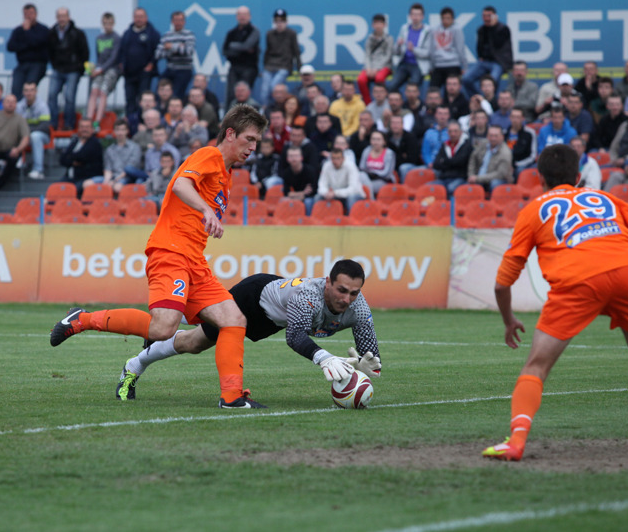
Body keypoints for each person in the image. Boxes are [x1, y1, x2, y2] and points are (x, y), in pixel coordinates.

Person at [482, 143, 628, 462]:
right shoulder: (604, 197)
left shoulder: (533, 211)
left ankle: (515, 443)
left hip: (578, 281)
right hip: (626, 273)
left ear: (540, 178)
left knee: (537, 364)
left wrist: (508, 320)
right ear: (579, 176)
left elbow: (503, 283)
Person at [50, 104, 270, 410]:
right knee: (163, 328)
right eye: (249, 138)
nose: (253, 146)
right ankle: (82, 319)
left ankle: (232, 397)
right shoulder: (210, 155)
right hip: (171, 251)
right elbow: (180, 183)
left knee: (234, 319)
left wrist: (207, 216)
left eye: (256, 141)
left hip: (194, 259)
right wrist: (206, 210)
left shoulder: (227, 174)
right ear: (230, 134)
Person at [115, 260, 382, 401]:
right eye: (341, 290)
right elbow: (295, 337)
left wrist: (365, 367)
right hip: (252, 298)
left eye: (354, 293)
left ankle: (160, 327)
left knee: (191, 333)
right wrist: (324, 358)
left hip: (269, 321)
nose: (346, 299)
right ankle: (134, 365)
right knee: (193, 342)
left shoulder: (358, 309)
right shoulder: (308, 296)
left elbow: (371, 354)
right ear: (327, 282)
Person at [46, 8, 89, 131]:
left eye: (64, 16)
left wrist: (79, 68)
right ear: (56, 17)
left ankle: (69, 124)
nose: (62, 19)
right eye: (59, 16)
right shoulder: (52, 33)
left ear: (69, 17)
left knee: (69, 97)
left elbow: (84, 52)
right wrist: (55, 65)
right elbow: (49, 51)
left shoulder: (77, 33)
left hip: (73, 70)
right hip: (58, 69)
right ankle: (52, 124)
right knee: (52, 95)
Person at [462, 6, 513, 97]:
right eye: (484, 16)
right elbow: (479, 47)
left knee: (491, 82)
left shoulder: (503, 29)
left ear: (494, 16)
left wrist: (493, 27)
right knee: (466, 79)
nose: (486, 18)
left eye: (489, 16)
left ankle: (491, 101)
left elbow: (498, 44)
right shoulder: (481, 30)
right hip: (484, 61)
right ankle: (479, 98)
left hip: (498, 62)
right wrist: (480, 57)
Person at [120, 8, 161, 118]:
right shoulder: (127, 33)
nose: (139, 19)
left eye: (141, 16)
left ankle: (142, 120)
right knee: (129, 100)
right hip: (129, 73)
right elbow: (122, 50)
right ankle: (130, 123)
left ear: (146, 18)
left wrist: (151, 63)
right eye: (136, 17)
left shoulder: (153, 33)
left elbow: (158, 51)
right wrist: (122, 64)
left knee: (143, 100)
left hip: (144, 73)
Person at [85, 118, 142, 193]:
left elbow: (130, 170)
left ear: (127, 131)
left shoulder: (135, 147)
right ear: (114, 131)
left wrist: (114, 181)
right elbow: (108, 170)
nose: (120, 132)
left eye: (122, 130)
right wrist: (106, 182)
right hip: (113, 177)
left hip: (127, 178)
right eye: (117, 130)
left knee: (117, 187)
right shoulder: (109, 149)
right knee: (87, 184)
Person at [0, 94, 29, 188]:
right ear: (3, 103)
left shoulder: (20, 119)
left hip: (10, 150)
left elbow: (26, 137)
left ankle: (0, 183)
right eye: (8, 101)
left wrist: (18, 149)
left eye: (13, 102)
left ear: (16, 104)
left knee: (13, 158)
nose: (10, 104)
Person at [7, 3, 50, 99]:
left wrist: (27, 32)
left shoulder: (43, 29)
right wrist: (27, 45)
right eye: (26, 13)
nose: (28, 16)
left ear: (36, 14)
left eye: (31, 13)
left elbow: (37, 43)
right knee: (16, 90)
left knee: (29, 89)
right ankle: (18, 112)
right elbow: (10, 47)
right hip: (22, 64)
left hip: (38, 64)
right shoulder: (18, 30)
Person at [86, 13, 121, 128]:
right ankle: (89, 119)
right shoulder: (99, 38)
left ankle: (97, 121)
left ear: (113, 23)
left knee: (103, 92)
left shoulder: (116, 38)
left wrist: (101, 70)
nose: (107, 26)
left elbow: (114, 58)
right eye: (105, 23)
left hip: (111, 69)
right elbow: (98, 56)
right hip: (100, 69)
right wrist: (94, 69)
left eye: (110, 23)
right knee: (94, 90)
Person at [223, 6, 261, 110]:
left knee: (244, 94)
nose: (242, 17)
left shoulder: (254, 31)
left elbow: (247, 46)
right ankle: (227, 120)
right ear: (236, 17)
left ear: (249, 16)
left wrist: (233, 46)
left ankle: (247, 119)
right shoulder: (231, 33)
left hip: (249, 67)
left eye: (245, 14)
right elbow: (225, 51)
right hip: (234, 67)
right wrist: (242, 50)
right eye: (240, 14)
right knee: (231, 94)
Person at [261, 9, 301, 108]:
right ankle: (265, 110)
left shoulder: (291, 33)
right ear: (274, 22)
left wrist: (299, 67)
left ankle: (276, 107)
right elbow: (268, 51)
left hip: (284, 65)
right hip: (270, 65)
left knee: (274, 86)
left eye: (282, 21)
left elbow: (296, 51)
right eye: (277, 21)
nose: (279, 24)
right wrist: (264, 66)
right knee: (264, 90)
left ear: (286, 22)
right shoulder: (269, 34)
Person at [389, 3, 431, 93]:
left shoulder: (428, 31)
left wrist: (413, 50)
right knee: (391, 86)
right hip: (404, 64)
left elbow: (428, 53)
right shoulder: (404, 28)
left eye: (418, 15)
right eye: (413, 14)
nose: (415, 17)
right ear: (410, 16)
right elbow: (396, 52)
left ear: (422, 17)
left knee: (413, 89)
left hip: (418, 65)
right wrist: (399, 45)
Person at [155, 11, 196, 101]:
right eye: (176, 20)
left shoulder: (189, 34)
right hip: (170, 69)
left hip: (184, 70)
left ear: (184, 22)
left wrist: (171, 47)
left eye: (180, 20)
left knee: (177, 96)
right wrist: (179, 47)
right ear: (172, 21)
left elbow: (188, 51)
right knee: (159, 92)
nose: (178, 22)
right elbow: (158, 54)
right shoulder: (167, 35)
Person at [16, 82, 51, 180]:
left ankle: (38, 170)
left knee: (35, 136)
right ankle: (17, 160)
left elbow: (45, 126)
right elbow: (15, 124)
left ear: (36, 92)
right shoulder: (19, 106)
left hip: (42, 136)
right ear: (23, 92)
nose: (29, 93)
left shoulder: (42, 105)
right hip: (24, 135)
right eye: (26, 90)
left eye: (31, 90)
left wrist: (27, 132)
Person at [59, 119, 104, 193]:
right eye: (82, 127)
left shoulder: (95, 143)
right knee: (55, 189)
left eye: (87, 127)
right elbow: (62, 159)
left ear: (92, 129)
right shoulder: (75, 141)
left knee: (70, 191)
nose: (84, 129)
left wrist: (70, 158)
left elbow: (82, 157)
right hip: (69, 177)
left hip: (86, 178)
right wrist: (73, 161)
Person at [358, 14, 394, 105]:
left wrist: (377, 68)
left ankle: (383, 102)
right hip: (370, 67)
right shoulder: (369, 39)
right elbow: (367, 55)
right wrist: (369, 68)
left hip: (384, 66)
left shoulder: (389, 39)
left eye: (380, 23)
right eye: (376, 24)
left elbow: (388, 56)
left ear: (385, 25)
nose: (378, 26)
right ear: (372, 25)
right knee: (361, 79)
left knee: (379, 78)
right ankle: (368, 103)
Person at [429, 7, 467, 90]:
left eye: (448, 18)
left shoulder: (457, 30)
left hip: (453, 65)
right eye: (443, 18)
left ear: (453, 19)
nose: (446, 21)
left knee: (451, 91)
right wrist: (432, 66)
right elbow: (431, 49)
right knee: (432, 90)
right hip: (438, 65)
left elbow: (460, 49)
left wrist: (465, 66)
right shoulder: (434, 30)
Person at [317, 148, 365, 213]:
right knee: (318, 197)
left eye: (338, 158)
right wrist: (326, 193)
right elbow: (321, 184)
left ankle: (351, 221)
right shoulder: (326, 165)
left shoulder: (351, 166)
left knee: (351, 198)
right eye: (333, 158)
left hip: (354, 195)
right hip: (335, 195)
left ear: (343, 158)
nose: (335, 161)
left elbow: (353, 189)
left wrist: (335, 193)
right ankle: (316, 221)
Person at [431, 120, 472, 194]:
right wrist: (452, 162)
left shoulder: (467, 145)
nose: (453, 134)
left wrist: (444, 161)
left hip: (460, 178)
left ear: (461, 132)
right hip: (444, 178)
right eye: (450, 131)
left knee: (451, 188)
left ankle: (450, 205)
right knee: (429, 187)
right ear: (447, 133)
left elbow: (460, 162)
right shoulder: (444, 145)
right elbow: (436, 164)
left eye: (455, 131)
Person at [467, 125, 513, 191]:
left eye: (496, 136)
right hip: (479, 177)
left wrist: (478, 178)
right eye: (491, 135)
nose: (493, 138)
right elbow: (473, 158)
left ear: (502, 137)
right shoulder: (483, 144)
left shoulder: (505, 152)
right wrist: (471, 175)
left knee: (494, 184)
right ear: (487, 136)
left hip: (499, 180)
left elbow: (500, 174)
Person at [281, 145, 318, 213]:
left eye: (296, 156)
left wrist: (294, 195)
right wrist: (302, 193)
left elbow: (311, 192)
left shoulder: (310, 171)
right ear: (287, 159)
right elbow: (286, 193)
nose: (294, 159)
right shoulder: (286, 173)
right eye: (291, 156)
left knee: (308, 202)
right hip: (297, 196)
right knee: (282, 200)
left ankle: (308, 221)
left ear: (301, 157)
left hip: (309, 198)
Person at [358, 130, 396, 195]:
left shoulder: (389, 153)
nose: (375, 142)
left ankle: (371, 201)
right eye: (373, 139)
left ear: (384, 142)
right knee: (361, 176)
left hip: (383, 181)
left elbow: (386, 174)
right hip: (367, 179)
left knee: (364, 187)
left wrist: (372, 173)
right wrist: (369, 174)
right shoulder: (366, 150)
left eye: (378, 139)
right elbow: (361, 168)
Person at [387, 113, 423, 181]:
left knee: (403, 168)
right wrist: (402, 155)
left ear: (402, 125)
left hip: (410, 167)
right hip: (393, 167)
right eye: (393, 123)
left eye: (397, 123)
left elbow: (412, 159)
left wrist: (398, 157)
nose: (395, 125)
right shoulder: (387, 138)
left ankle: (405, 188)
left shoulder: (410, 137)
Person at [506, 108, 536, 173]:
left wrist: (516, 165)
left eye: (518, 117)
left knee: (520, 171)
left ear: (523, 118)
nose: (515, 120)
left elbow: (533, 156)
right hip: (506, 165)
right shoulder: (504, 133)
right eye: (513, 117)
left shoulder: (530, 133)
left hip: (522, 165)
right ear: (510, 118)